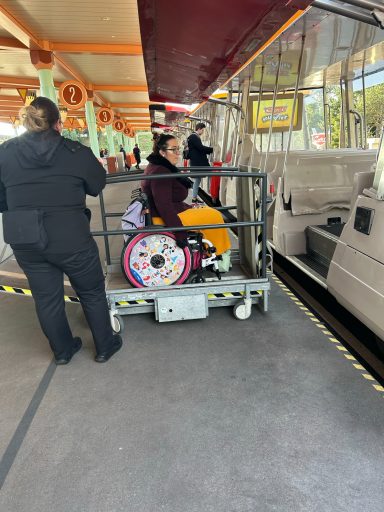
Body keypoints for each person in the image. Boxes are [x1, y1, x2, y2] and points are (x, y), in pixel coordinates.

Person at [0, 97, 122, 365]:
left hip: (26, 238)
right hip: (71, 238)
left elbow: (1, 199)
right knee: (90, 291)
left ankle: (63, 351)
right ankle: (105, 346)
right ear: (58, 123)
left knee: (46, 298)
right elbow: (96, 184)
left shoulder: (4, 153)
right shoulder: (75, 152)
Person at [142, 134, 231, 254]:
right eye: (173, 149)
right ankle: (219, 254)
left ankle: (209, 252)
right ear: (162, 152)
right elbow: (164, 206)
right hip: (164, 217)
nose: (178, 153)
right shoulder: (161, 171)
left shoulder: (158, 166)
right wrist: (179, 231)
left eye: (178, 148)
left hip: (168, 212)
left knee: (207, 211)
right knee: (215, 216)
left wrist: (188, 207)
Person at [187, 122, 213, 203]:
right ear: (199, 129)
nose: (203, 132)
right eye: (203, 130)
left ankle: (194, 198)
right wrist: (211, 149)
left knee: (197, 181)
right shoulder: (194, 137)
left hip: (196, 162)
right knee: (197, 180)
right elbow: (200, 148)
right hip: (197, 163)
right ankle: (194, 198)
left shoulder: (193, 136)